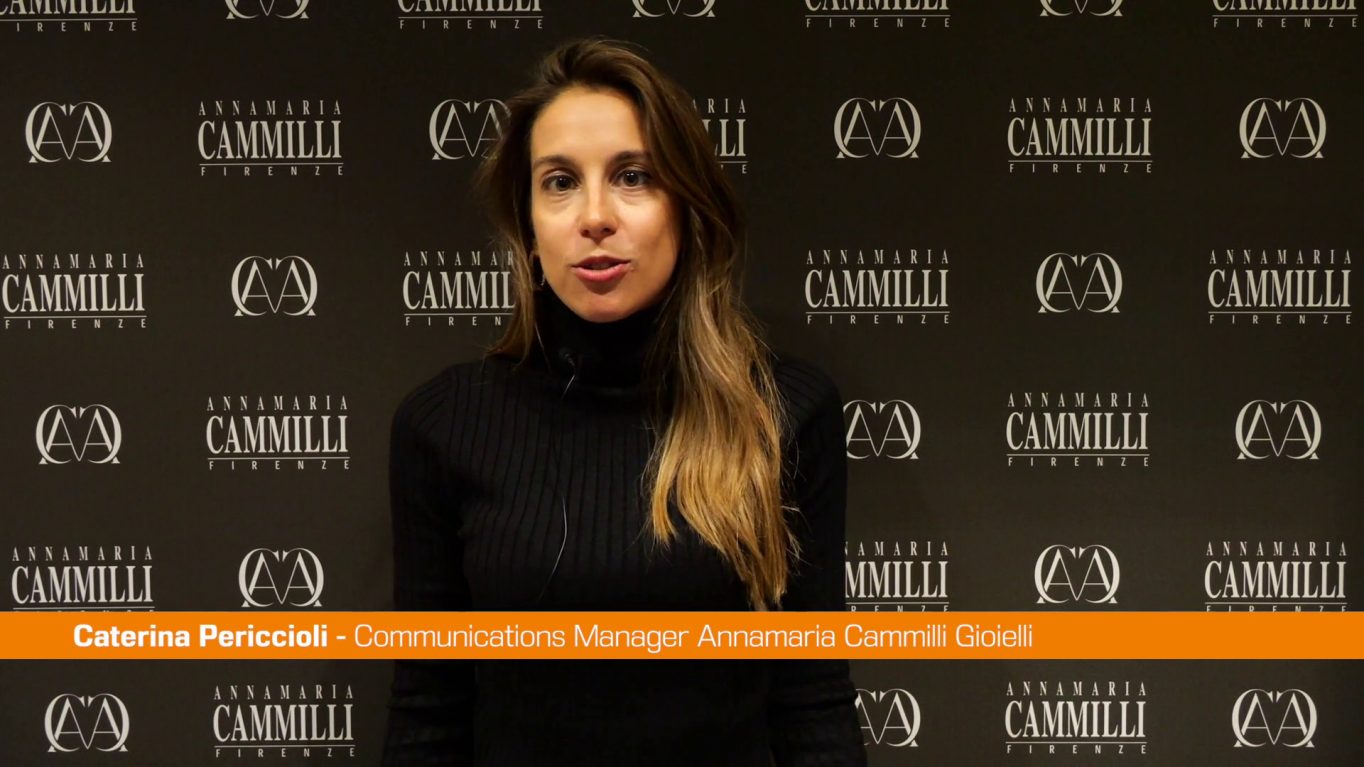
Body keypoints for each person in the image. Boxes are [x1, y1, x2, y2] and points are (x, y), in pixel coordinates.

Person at [382, 38, 866, 766]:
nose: (595, 216)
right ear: (528, 224)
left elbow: (812, 699)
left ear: (687, 206)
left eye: (633, 177)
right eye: (559, 182)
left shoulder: (785, 410)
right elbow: (429, 709)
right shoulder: (442, 424)